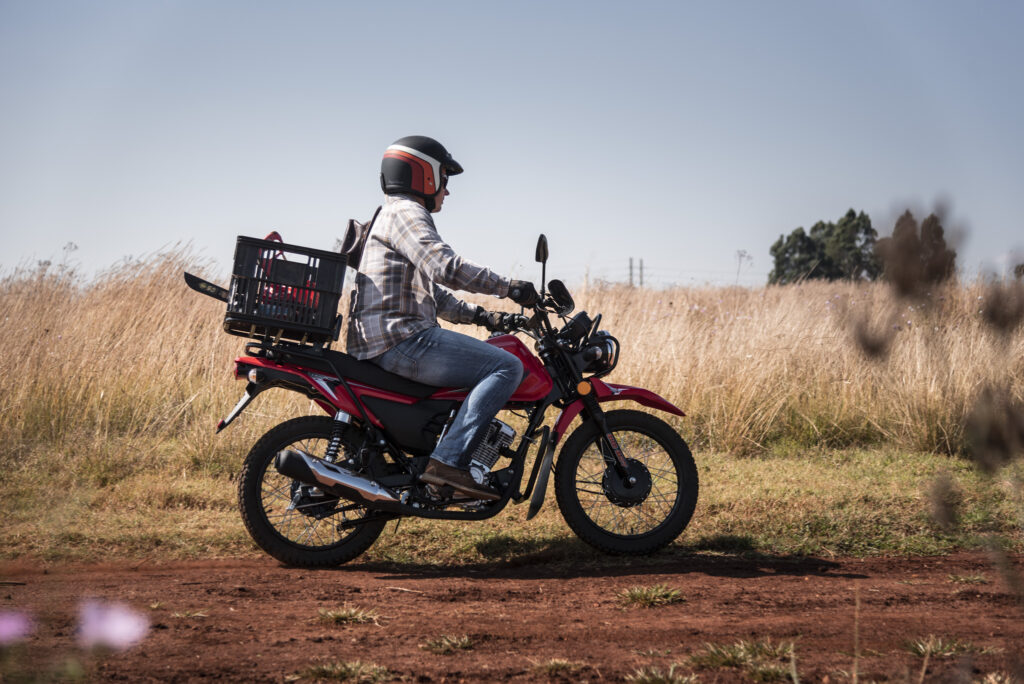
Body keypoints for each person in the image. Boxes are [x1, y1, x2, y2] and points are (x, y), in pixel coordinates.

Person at [346, 135, 538, 501]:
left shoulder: (392, 217)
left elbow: (433, 296)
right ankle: (448, 464)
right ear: (424, 174)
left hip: (388, 338)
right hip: (401, 339)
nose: (447, 191)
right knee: (506, 367)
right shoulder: (407, 213)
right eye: (444, 179)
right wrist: (509, 286)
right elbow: (444, 267)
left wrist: (485, 317)